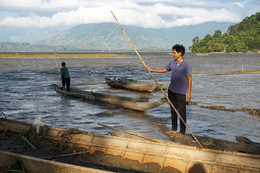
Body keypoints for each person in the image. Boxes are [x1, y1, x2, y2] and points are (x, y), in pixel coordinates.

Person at [146, 44, 192, 138]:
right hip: (171, 91)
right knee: (173, 111)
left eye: (174, 52)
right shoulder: (172, 63)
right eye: (173, 52)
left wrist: (189, 94)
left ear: (180, 53)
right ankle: (173, 129)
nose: (173, 54)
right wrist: (151, 69)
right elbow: (163, 70)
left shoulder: (186, 65)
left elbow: (189, 79)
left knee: (182, 112)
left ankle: (182, 132)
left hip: (181, 92)